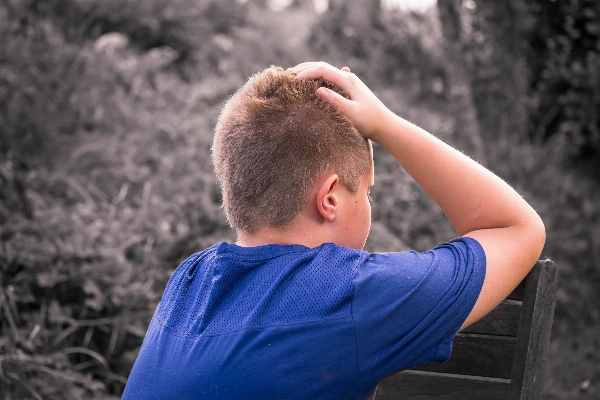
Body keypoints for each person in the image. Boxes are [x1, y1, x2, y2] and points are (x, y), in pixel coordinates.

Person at [122, 63, 545, 400]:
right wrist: (386, 125)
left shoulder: (189, 281)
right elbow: (517, 229)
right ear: (329, 199)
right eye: (365, 192)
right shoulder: (349, 295)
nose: (369, 205)